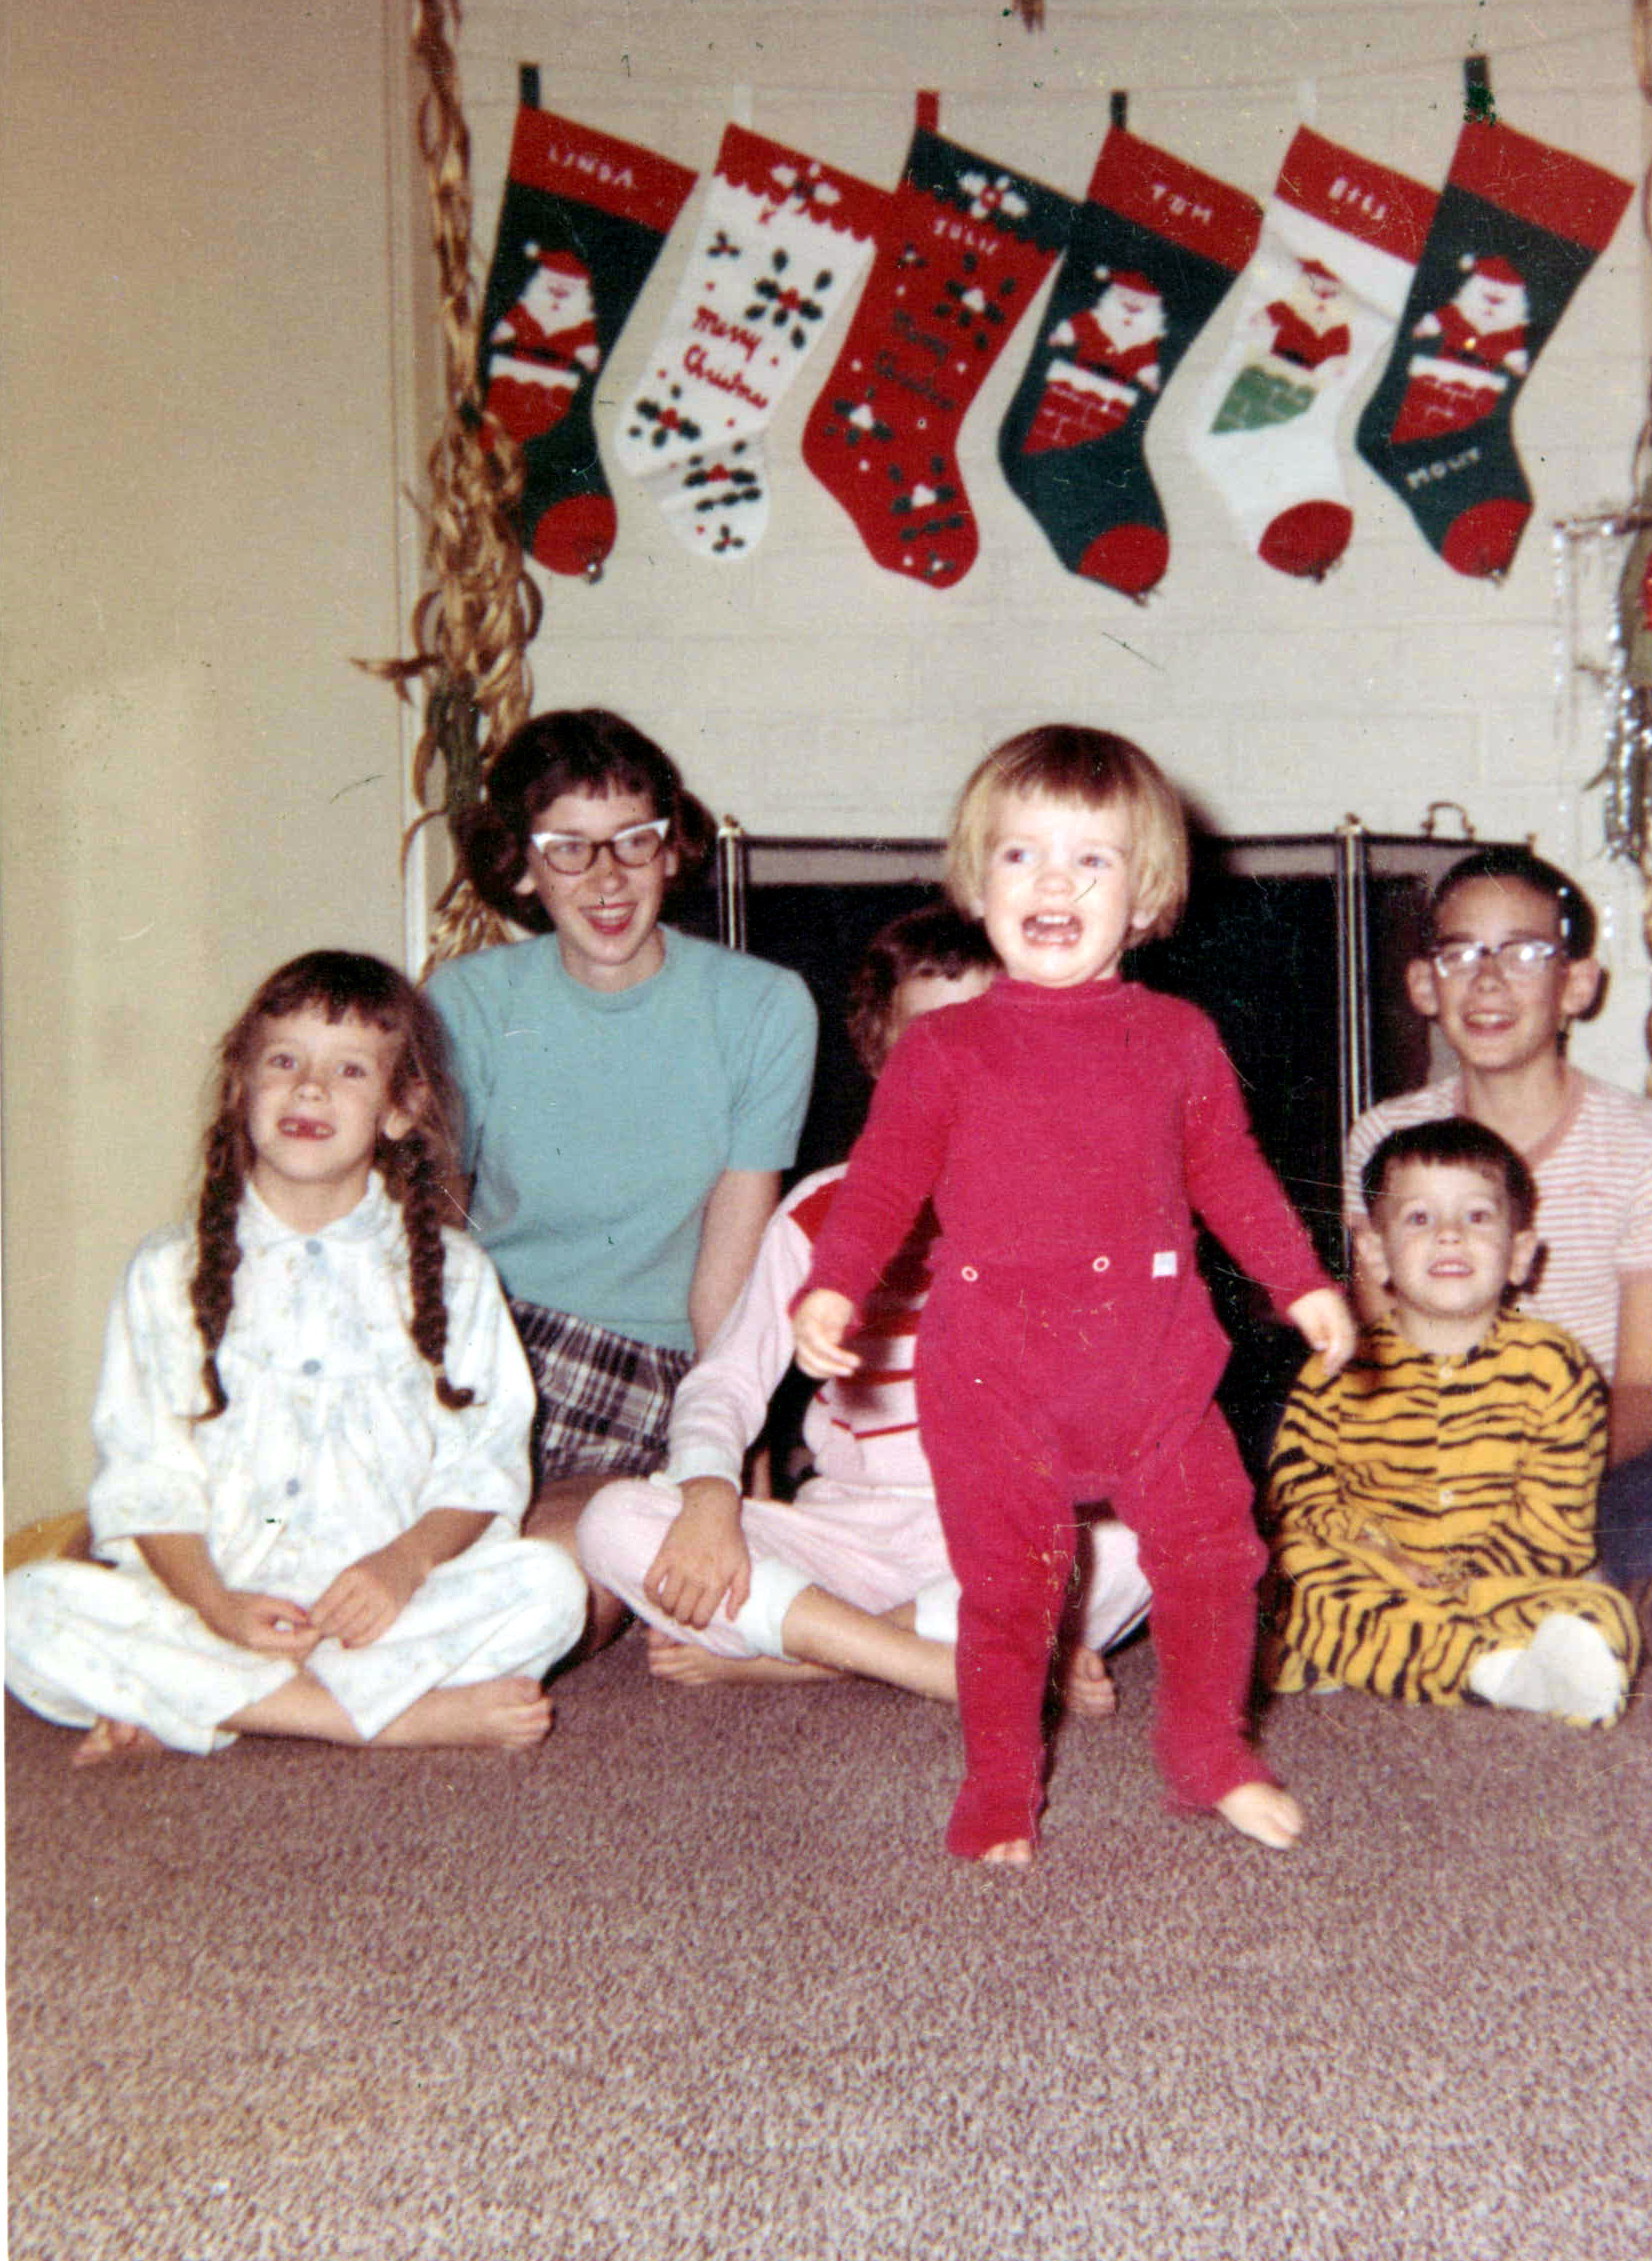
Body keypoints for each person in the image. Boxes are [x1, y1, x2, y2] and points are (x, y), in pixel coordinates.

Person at [792, 725, 1357, 1866]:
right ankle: (1001, 1783)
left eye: (1090, 860)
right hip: (995, 1374)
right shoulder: (944, 1049)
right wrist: (832, 1286)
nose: (1054, 885)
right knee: (1010, 1592)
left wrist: (1301, 1281)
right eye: (1022, 856)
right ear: (976, 881)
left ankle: (1207, 1751)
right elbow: (883, 1181)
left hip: (1152, 1366)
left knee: (1218, 1555)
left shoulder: (1179, 1038)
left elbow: (1231, 1173)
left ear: (1144, 895)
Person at [4, 952, 586, 1760]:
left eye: (349, 1069)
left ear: (399, 1109)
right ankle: (368, 1719)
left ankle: (211, 1706)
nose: (310, 1089)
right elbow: (146, 1477)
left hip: (383, 1611)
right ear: (242, 1087)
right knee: (23, 1607)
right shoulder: (167, 1272)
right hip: (216, 1600)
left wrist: (401, 1566)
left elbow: (484, 1466)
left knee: (551, 1588)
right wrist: (217, 1606)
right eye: (284, 1061)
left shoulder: (456, 1276)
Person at [575, 904, 1153, 1709]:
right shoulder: (820, 1212)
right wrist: (707, 1493)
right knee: (612, 1520)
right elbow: (727, 1380)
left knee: (1144, 1541)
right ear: (882, 1060)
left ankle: (813, 1654)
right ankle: (935, 1661)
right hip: (845, 1533)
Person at [1343, 845, 1652, 1647]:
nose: (1489, 982)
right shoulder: (1386, 1135)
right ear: (1424, 985)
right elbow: (1378, 1348)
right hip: (1432, 1458)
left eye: (1524, 953)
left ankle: (1494, 1591)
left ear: (1577, 986)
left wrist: (1534, 1487)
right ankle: (1537, 1592)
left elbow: (1645, 1386)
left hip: (1587, 1463)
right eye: (1461, 954)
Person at [427, 710, 818, 1558]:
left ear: (671, 850)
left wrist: (730, 1453)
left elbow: (731, 1272)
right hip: (488, 1341)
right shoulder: (467, 999)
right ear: (521, 865)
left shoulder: (764, 1006)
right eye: (568, 848)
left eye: (633, 841)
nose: (607, 879)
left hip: (646, 1364)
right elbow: (431, 1223)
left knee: (548, 1569)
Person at [1268, 1118, 1639, 1724]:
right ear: (1375, 1252)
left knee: (1599, 1610)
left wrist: (1461, 1583)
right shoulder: (1336, 1368)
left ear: (1520, 1254)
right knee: (1292, 1567)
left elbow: (1555, 1528)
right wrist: (1381, 1556)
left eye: (1477, 1217)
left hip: (1500, 1587)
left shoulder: (1556, 1368)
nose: (1448, 1235)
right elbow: (1300, 1496)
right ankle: (1485, 1670)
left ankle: (1391, 1652)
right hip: (1371, 1571)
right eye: (1419, 1218)